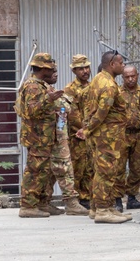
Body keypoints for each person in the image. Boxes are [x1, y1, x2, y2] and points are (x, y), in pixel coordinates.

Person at [77, 50, 131, 224]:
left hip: (102, 135)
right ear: (112, 64)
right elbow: (101, 112)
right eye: (121, 63)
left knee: (100, 172)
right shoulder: (108, 85)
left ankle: (100, 207)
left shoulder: (98, 78)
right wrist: (87, 129)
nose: (123, 66)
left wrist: (88, 129)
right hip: (107, 136)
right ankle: (102, 210)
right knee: (106, 172)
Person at [16, 53, 63, 218]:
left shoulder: (41, 85)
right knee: (35, 170)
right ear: (43, 69)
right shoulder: (33, 86)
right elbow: (31, 111)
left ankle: (42, 203)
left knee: (44, 171)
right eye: (51, 68)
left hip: (44, 137)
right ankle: (28, 205)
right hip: (37, 137)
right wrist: (48, 100)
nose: (53, 71)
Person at [44, 69, 86, 216]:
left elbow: (64, 111)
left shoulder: (51, 89)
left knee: (54, 170)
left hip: (58, 135)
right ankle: (71, 203)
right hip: (51, 138)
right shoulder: (39, 90)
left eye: (56, 71)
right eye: (52, 71)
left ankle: (45, 202)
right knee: (64, 168)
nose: (56, 74)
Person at [64, 54, 93, 208]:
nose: (85, 71)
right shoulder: (70, 89)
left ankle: (87, 197)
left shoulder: (93, 86)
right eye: (81, 68)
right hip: (77, 136)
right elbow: (72, 114)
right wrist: (83, 129)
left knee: (90, 167)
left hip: (91, 134)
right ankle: (76, 199)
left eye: (86, 67)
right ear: (74, 70)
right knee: (77, 167)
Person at [116, 65, 140, 211]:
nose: (130, 79)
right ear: (123, 77)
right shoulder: (118, 92)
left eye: (133, 76)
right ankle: (117, 199)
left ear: (137, 75)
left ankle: (132, 197)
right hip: (122, 134)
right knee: (119, 167)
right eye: (127, 77)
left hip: (139, 134)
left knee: (136, 167)